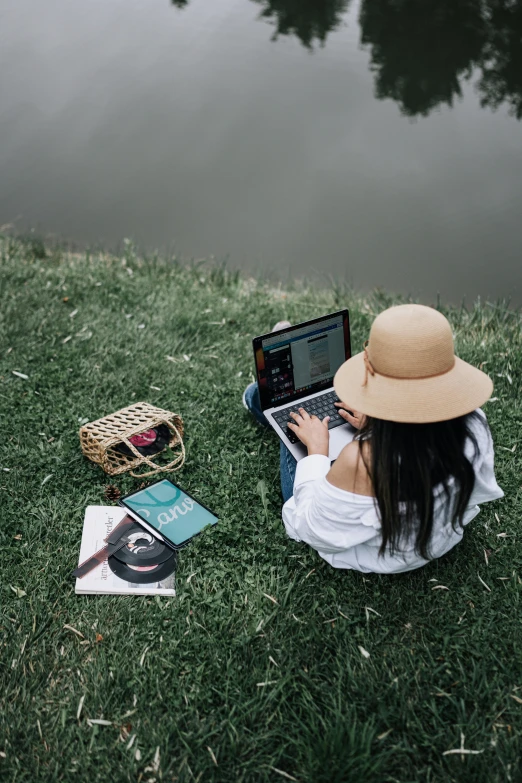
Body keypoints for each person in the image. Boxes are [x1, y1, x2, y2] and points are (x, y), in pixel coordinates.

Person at [243, 304, 503, 573]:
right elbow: (419, 436)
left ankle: (262, 386)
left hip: (377, 553)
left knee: (294, 415)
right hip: (435, 538)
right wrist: (377, 425)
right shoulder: (472, 424)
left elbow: (308, 528)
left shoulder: (363, 461)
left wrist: (318, 452)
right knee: (303, 411)